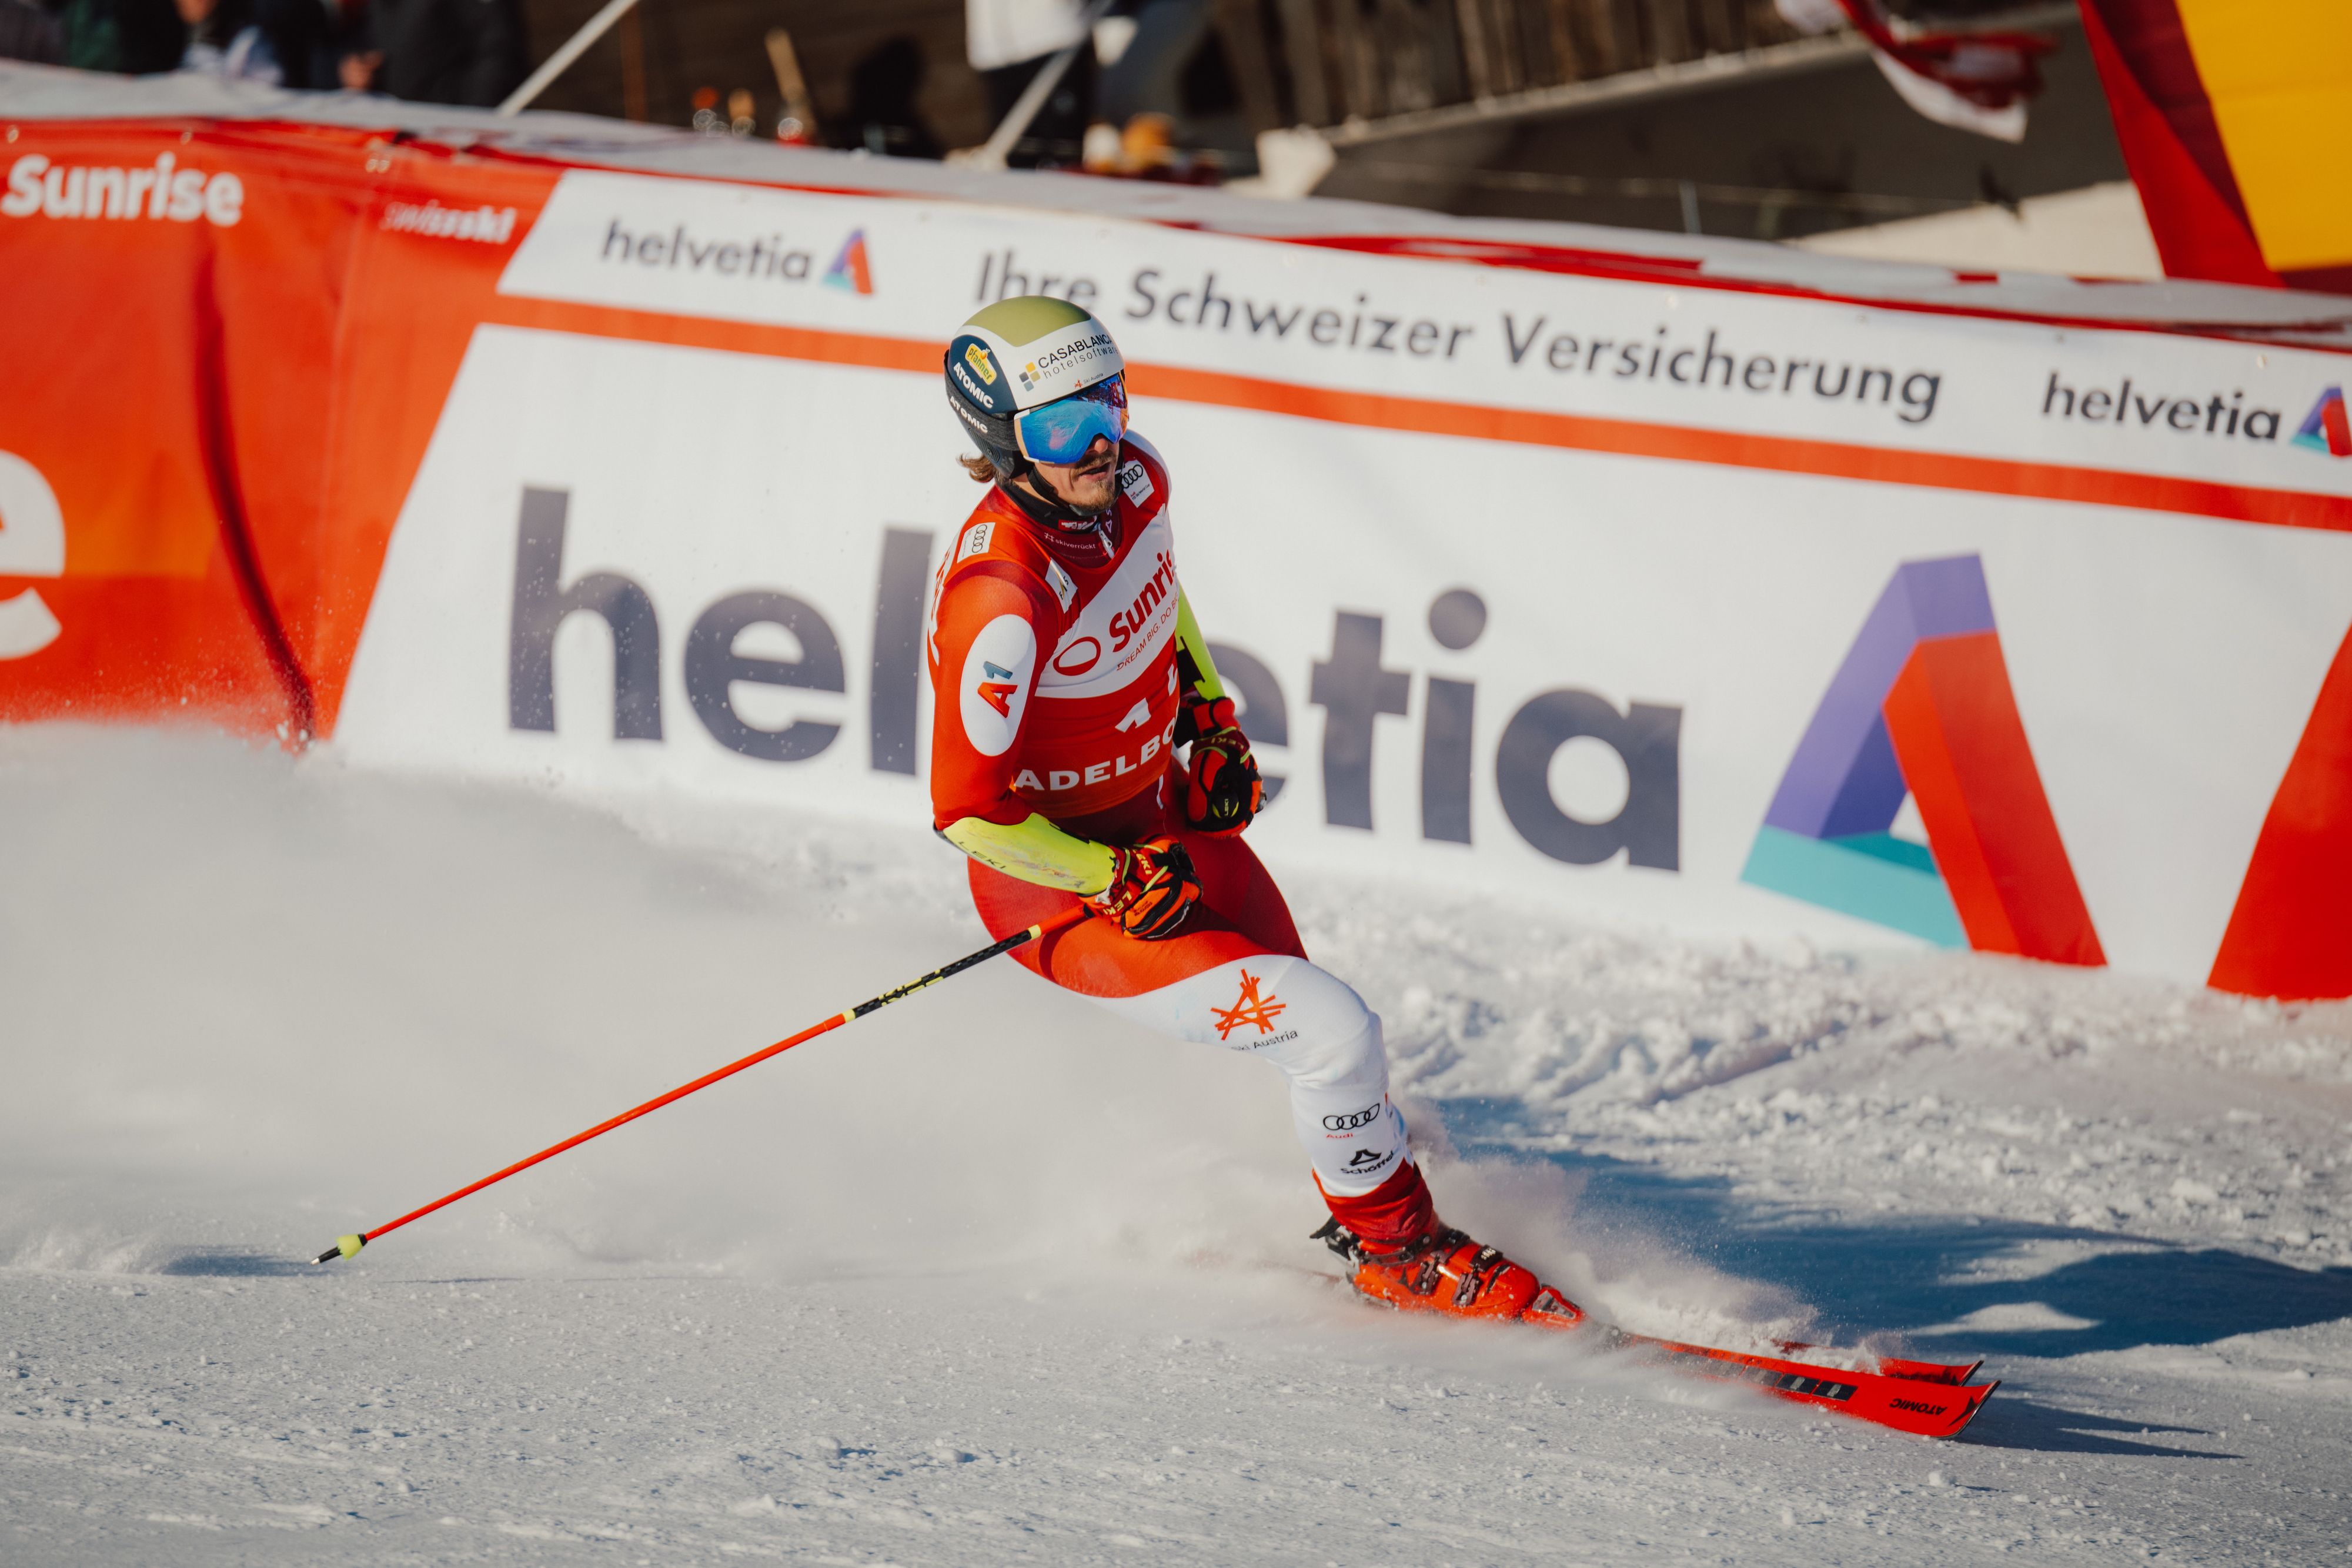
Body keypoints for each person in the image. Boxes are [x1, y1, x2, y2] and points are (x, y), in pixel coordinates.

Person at [928, 297, 1588, 1325]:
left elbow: (1158, 594)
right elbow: (966, 813)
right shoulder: (1004, 597)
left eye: (1109, 400)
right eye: (1063, 426)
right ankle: (1397, 1252)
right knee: (1330, 1029)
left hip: (1164, 827)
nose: (1099, 440)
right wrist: (1106, 876)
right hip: (1063, 890)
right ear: (1003, 443)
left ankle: (1361, 1200)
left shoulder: (1135, 484)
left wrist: (1210, 717)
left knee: (1322, 1017)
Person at [338, 0, 523, 106]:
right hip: (395, 125)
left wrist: (471, 119)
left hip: (450, 131)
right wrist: (357, 68)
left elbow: (499, 52)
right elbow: (374, 42)